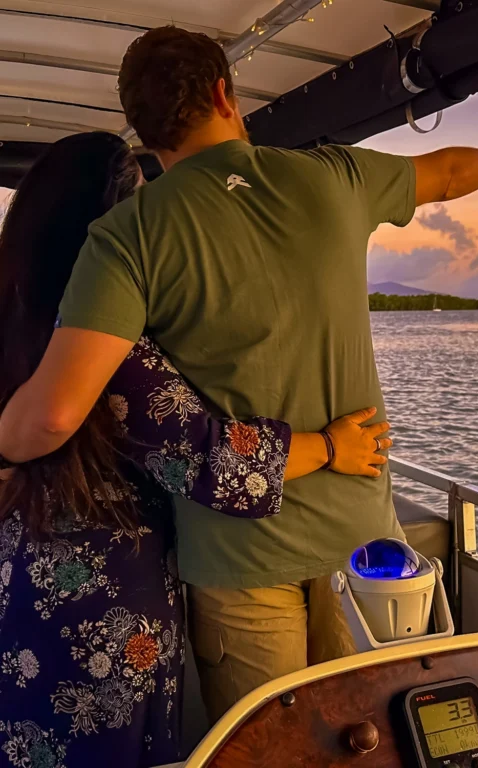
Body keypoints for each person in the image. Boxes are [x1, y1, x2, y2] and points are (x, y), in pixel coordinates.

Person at [0, 26, 478, 723]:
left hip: (237, 564)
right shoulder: (334, 177)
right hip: (362, 541)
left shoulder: (128, 237)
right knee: (372, 739)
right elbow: (440, 171)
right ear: (225, 94)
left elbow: (53, 414)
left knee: (276, 746)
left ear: (143, 130)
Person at [0, 132, 390, 767]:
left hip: (19, 584)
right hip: (102, 606)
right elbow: (208, 457)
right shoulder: (109, 344)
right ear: (113, 228)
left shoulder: (16, 316)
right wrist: (329, 447)